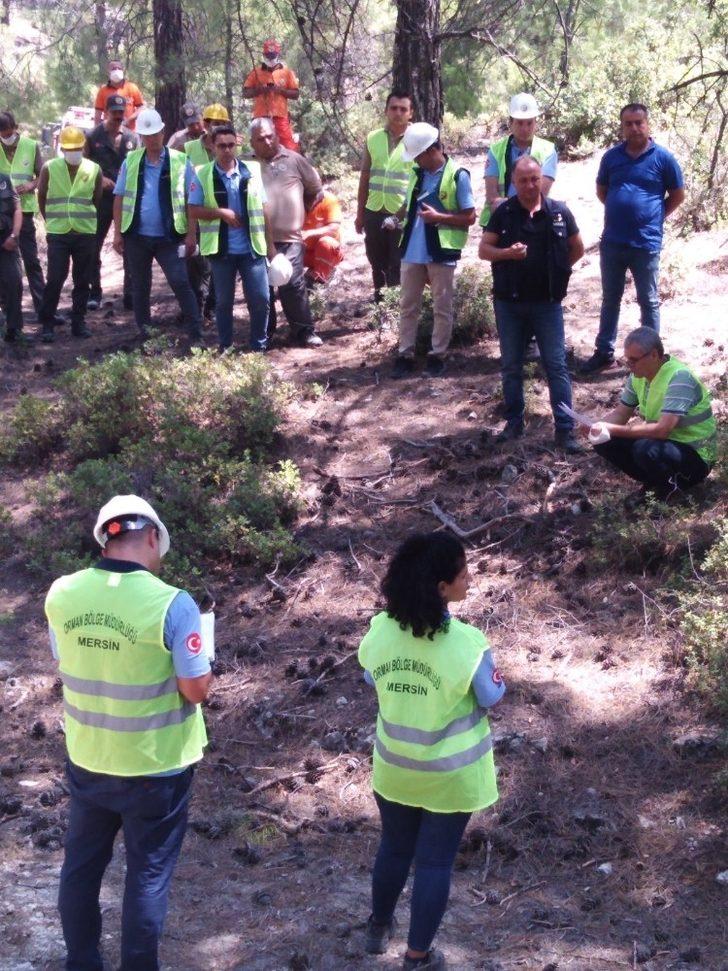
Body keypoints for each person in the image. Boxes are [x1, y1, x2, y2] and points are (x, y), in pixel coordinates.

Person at [45, 494, 211, 971]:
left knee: (80, 869)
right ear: (154, 537)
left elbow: (70, 658)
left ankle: (81, 961)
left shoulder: (61, 593)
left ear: (105, 538)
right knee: (147, 878)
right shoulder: (173, 605)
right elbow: (196, 690)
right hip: (156, 768)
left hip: (89, 758)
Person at [358, 532, 505, 971]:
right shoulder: (467, 644)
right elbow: (492, 696)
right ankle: (418, 956)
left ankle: (377, 927)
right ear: (442, 588)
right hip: (450, 776)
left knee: (395, 848)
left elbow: (371, 677)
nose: (470, 579)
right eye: (463, 574)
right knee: (435, 862)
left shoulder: (381, 630)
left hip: (395, 769)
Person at [479, 156, 584, 452]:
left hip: (547, 304)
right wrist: (507, 254)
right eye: (523, 180)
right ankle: (514, 423)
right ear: (514, 182)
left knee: (556, 366)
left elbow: (577, 248)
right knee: (511, 366)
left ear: (542, 179)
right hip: (509, 304)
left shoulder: (558, 212)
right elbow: (484, 250)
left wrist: (558, 271)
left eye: (535, 179)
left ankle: (565, 430)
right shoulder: (504, 213)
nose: (529, 185)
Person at [580, 103, 685, 373]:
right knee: (610, 298)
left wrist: (654, 216)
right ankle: (604, 351)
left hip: (646, 243)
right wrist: (623, 208)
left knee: (648, 300)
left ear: (647, 124)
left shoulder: (664, 158)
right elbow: (602, 191)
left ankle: (653, 358)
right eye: (629, 123)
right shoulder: (611, 157)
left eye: (639, 122)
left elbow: (677, 195)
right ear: (622, 126)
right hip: (613, 240)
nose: (635, 128)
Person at [587, 327, 716, 501]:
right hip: (668, 447)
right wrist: (596, 426)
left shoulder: (679, 378)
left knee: (645, 449)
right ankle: (656, 484)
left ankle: (671, 492)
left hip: (697, 456)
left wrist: (611, 429)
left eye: (634, 360)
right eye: (627, 360)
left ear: (654, 355)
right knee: (603, 440)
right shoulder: (638, 377)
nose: (629, 366)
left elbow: (662, 430)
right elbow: (621, 413)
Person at [389, 122, 475, 379]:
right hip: (413, 250)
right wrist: (396, 218)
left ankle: (438, 355)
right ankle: (405, 353)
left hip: (441, 250)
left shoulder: (458, 175)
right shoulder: (417, 173)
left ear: (429, 151)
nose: (415, 160)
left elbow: (470, 216)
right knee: (408, 304)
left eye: (417, 155)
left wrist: (440, 216)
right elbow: (409, 205)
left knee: (442, 306)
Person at [113, 108, 202, 343]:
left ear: (163, 133)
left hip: (169, 237)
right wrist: (118, 234)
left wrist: (191, 235)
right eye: (147, 135)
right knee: (140, 287)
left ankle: (196, 334)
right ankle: (145, 335)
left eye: (156, 134)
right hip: (137, 237)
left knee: (180, 282)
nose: (152, 139)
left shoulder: (181, 160)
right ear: (141, 136)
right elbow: (119, 196)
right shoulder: (131, 161)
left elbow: (193, 200)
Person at [188, 124, 275, 352]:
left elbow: (264, 209)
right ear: (213, 147)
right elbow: (193, 210)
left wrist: (271, 246)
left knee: (261, 299)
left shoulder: (252, 171)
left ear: (237, 144)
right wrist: (220, 213)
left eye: (230, 145)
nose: (226, 150)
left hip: (252, 247)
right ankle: (225, 346)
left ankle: (258, 346)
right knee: (224, 302)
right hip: (222, 250)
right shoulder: (203, 174)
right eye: (221, 146)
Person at [249, 117, 323, 347]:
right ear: (252, 142)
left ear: (277, 135)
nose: (267, 141)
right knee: (262, 287)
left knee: (292, 283)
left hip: (290, 238)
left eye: (270, 136)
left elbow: (315, 189)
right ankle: (265, 333)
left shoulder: (295, 160)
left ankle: (304, 331)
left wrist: (301, 212)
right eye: (260, 139)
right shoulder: (247, 164)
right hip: (256, 237)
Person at [37, 126, 102, 342]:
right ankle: (47, 323)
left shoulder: (94, 169)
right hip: (58, 233)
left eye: (77, 148)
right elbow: (43, 197)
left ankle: (78, 322)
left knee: (82, 280)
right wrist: (52, 222)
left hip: (85, 232)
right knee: (55, 278)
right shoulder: (49, 168)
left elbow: (96, 199)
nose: (73, 152)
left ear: (83, 147)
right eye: (69, 148)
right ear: (62, 148)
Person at [355, 91, 413, 301]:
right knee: (376, 263)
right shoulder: (373, 138)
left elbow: (419, 183)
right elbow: (365, 177)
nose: (398, 113)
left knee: (397, 264)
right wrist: (360, 214)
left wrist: (401, 215)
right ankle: (380, 306)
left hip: (401, 214)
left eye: (403, 109)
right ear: (387, 110)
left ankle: (395, 309)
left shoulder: (417, 140)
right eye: (394, 108)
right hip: (374, 211)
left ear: (410, 113)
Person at [84, 94, 139, 311]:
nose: (118, 116)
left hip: (126, 200)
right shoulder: (92, 136)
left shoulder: (132, 137)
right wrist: (99, 178)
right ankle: (93, 292)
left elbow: (136, 164)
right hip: (100, 199)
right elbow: (83, 165)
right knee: (92, 246)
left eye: (121, 112)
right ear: (106, 112)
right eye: (114, 112)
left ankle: (130, 294)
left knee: (130, 246)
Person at [479, 92, 557, 229]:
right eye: (519, 123)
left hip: (535, 220)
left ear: (536, 122)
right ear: (510, 123)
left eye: (529, 123)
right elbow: (492, 195)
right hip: (500, 220)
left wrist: (510, 206)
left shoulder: (548, 150)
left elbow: (542, 193)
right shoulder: (496, 150)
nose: (525, 128)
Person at [0, 110, 50, 320]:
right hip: (3, 216)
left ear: (15, 127)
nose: (5, 135)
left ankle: (43, 309)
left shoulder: (30, 145)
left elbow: (42, 174)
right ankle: (8, 313)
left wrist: (31, 185)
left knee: (31, 261)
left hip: (26, 211)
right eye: (1, 132)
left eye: (8, 131)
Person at [243, 39, 300, 152]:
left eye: (273, 56)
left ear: (278, 54)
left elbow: (296, 94)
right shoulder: (256, 72)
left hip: (280, 116)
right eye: (268, 55)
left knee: (289, 147)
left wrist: (281, 91)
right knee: (260, 148)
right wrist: (259, 90)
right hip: (260, 116)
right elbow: (245, 93)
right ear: (264, 55)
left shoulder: (287, 72)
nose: (270, 58)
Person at [0, 170, 26, 342]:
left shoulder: (3, 179)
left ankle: (14, 328)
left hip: (6, 240)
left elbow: (17, 208)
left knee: (14, 281)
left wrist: (14, 235)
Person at [302, 186, 343, 285]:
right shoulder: (295, 199)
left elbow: (334, 227)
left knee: (326, 243)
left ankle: (318, 281)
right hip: (302, 252)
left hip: (327, 253)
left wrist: (309, 233)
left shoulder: (329, 200)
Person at [93, 59, 145, 131]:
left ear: (123, 70)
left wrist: (129, 120)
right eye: (114, 69)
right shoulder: (102, 91)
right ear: (109, 72)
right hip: (109, 132)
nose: (117, 70)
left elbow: (141, 107)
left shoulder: (132, 87)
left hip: (130, 132)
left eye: (119, 68)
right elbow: (97, 115)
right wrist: (96, 133)